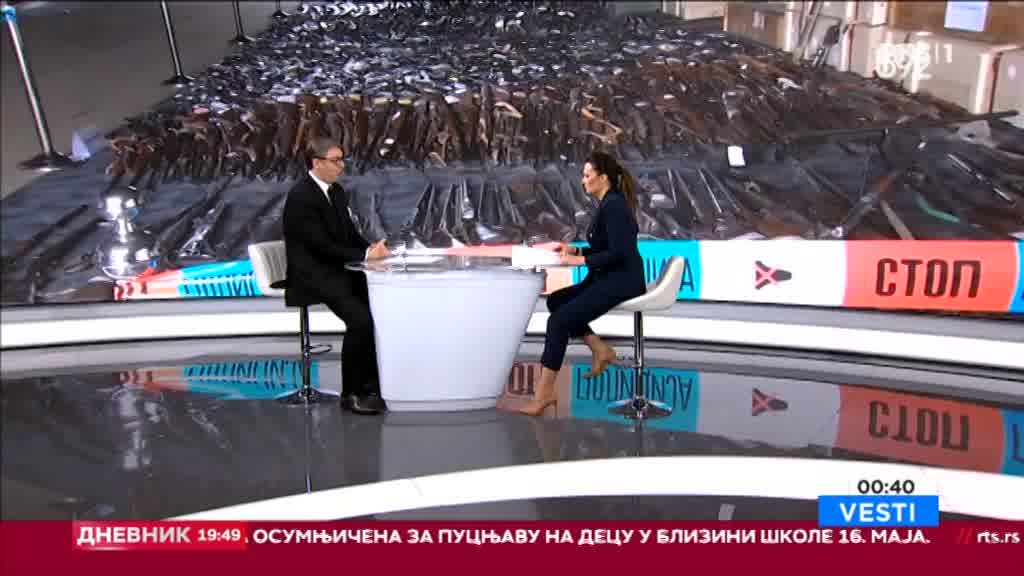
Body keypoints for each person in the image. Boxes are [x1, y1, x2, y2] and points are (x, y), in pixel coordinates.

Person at [520, 151, 647, 416]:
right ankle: (600, 349)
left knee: (558, 321)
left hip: (622, 280)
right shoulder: (608, 203)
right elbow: (606, 248)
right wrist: (576, 251)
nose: (583, 180)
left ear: (603, 177)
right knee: (557, 301)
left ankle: (544, 393)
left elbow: (620, 252)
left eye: (588, 175)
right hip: (608, 275)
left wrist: (580, 261)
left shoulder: (614, 206)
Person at [282, 137, 390, 415]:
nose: (342, 166)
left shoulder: (336, 191)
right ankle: (351, 394)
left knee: (378, 312)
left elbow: (348, 235)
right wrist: (365, 256)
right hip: (314, 274)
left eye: (342, 160)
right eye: (335, 161)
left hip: (338, 268)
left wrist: (369, 250)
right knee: (360, 321)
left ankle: (372, 385)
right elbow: (319, 246)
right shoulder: (301, 197)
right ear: (316, 163)